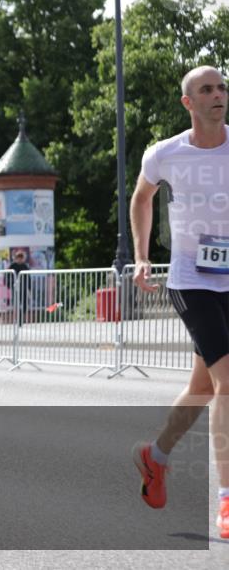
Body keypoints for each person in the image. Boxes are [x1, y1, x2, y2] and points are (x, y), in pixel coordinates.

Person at [130, 65, 229, 538]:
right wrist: (142, 256)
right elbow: (141, 197)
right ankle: (228, 501)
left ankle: (156, 455)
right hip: (192, 280)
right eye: (207, 89)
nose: (218, 94)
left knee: (205, 389)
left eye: (222, 87)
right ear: (188, 102)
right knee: (227, 381)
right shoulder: (166, 154)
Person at [8, 250, 30, 326]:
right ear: (16, 258)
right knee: (16, 305)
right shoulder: (12, 266)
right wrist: (10, 285)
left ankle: (20, 319)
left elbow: (28, 278)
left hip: (23, 289)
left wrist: (29, 289)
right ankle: (17, 320)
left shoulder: (25, 266)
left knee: (24, 305)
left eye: (21, 257)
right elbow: (7, 276)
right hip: (15, 289)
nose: (20, 259)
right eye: (18, 257)